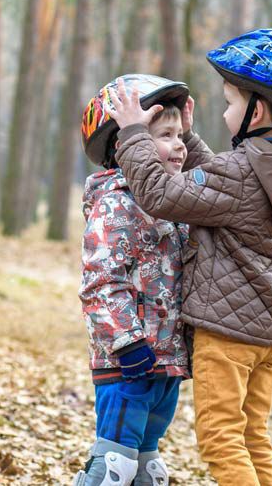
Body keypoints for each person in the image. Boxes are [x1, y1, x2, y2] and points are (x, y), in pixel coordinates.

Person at [106, 29, 272, 486]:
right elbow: (222, 187)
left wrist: (133, 132)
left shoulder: (240, 172)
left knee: (221, 438)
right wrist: (188, 139)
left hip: (226, 335)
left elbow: (161, 192)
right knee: (253, 437)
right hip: (264, 331)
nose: (226, 112)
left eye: (231, 102)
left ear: (259, 109)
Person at [74, 74, 194, 486]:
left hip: (165, 361)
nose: (179, 145)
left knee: (148, 467)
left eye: (180, 134)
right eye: (165, 135)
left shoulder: (171, 202)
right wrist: (126, 340)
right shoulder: (116, 203)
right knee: (114, 465)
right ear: (123, 147)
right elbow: (100, 281)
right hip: (129, 360)